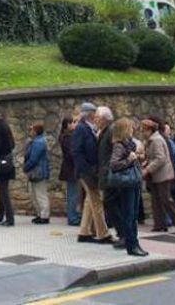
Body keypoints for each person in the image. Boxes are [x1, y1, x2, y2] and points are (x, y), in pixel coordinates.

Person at [71, 102, 112, 244]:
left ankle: (84, 231)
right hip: (86, 172)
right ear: (89, 114)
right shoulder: (81, 129)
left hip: (88, 170)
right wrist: (88, 170)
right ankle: (103, 233)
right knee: (96, 201)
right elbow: (76, 152)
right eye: (95, 113)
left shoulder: (87, 128)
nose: (96, 116)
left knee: (90, 200)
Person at [109, 118, 148, 257]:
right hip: (127, 183)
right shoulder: (119, 145)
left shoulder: (129, 144)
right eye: (130, 128)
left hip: (134, 182)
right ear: (125, 130)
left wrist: (138, 157)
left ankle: (135, 243)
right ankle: (131, 245)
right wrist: (129, 160)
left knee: (133, 216)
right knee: (129, 215)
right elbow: (114, 165)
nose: (133, 130)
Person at [96, 106, 122, 244]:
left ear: (105, 119)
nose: (96, 120)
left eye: (98, 118)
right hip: (107, 174)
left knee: (113, 205)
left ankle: (123, 234)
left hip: (111, 175)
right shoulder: (105, 131)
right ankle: (122, 233)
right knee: (110, 205)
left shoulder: (111, 131)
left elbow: (116, 151)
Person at [24, 121, 50, 224]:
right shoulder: (35, 141)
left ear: (36, 131)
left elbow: (33, 159)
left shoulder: (38, 143)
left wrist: (26, 167)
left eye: (31, 129)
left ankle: (44, 215)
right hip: (36, 171)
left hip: (38, 171)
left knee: (40, 194)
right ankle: (40, 214)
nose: (30, 131)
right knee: (35, 194)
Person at [58, 117, 81, 226]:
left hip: (69, 168)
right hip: (70, 169)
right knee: (72, 194)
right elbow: (71, 153)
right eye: (72, 123)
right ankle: (72, 218)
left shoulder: (66, 137)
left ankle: (73, 215)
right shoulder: (67, 138)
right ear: (67, 125)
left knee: (73, 194)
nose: (74, 125)